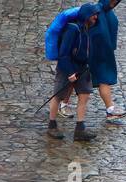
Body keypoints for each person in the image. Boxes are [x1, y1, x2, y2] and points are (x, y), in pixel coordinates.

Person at [49, 4, 101, 141]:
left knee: (84, 95)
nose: (96, 17)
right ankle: (52, 125)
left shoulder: (86, 28)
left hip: (83, 68)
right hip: (68, 68)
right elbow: (64, 53)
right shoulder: (72, 29)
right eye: (93, 15)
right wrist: (70, 72)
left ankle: (80, 129)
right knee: (58, 95)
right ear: (86, 15)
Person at [91, 0, 124, 122]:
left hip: (105, 54)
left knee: (102, 80)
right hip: (98, 54)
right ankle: (62, 103)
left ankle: (110, 109)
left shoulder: (108, 12)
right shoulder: (97, 11)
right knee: (76, 80)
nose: (114, 2)